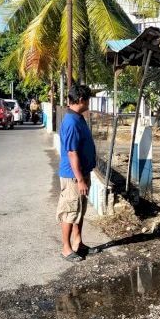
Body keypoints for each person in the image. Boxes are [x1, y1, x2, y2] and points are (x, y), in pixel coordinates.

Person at [57, 84, 97, 262]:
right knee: (70, 211)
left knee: (80, 210)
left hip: (82, 173)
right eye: (88, 100)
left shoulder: (78, 117)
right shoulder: (71, 122)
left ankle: (78, 243)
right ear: (81, 100)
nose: (89, 103)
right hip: (73, 176)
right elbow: (72, 153)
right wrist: (80, 179)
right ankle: (66, 248)